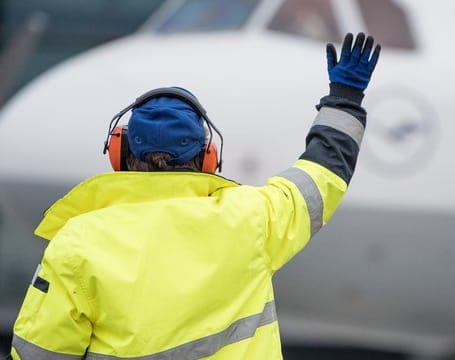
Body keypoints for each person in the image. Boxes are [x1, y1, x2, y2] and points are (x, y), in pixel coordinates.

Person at [9, 32, 381, 359]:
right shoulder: (251, 218)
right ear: (208, 158)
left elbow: (40, 353)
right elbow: (323, 174)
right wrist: (344, 99)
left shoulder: (78, 245)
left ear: (119, 153)